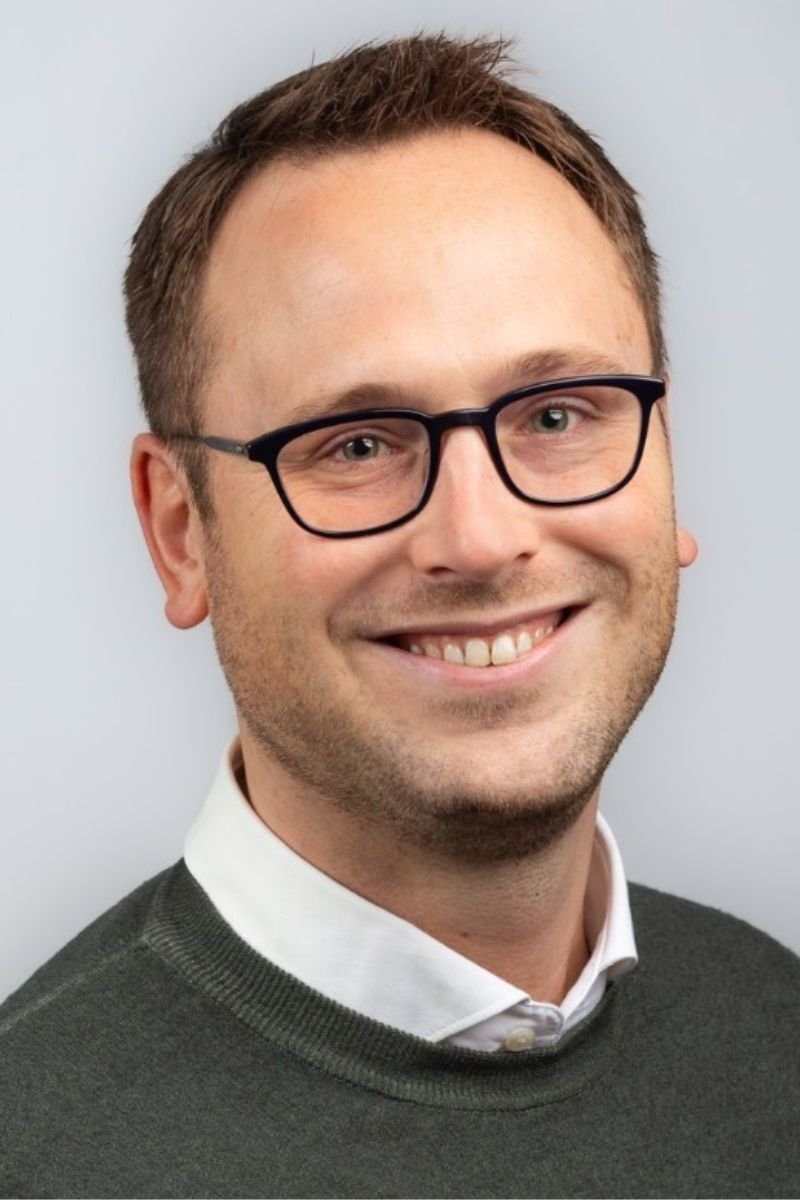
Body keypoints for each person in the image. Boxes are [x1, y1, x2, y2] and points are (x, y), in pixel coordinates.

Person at [1, 32, 798, 1200]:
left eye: (557, 415)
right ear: (180, 532)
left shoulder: (773, 1025)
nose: (478, 538)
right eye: (357, 444)